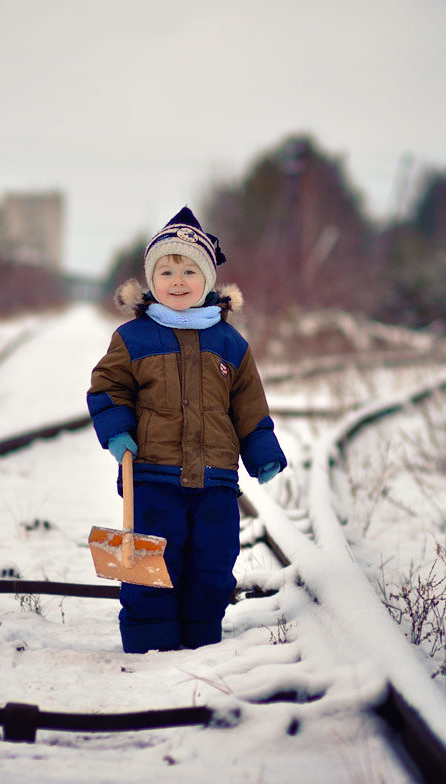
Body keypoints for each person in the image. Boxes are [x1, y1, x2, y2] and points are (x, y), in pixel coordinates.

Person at [87, 206, 287, 653]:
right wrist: (119, 433)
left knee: (212, 564)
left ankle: (201, 639)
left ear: (208, 281)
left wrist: (262, 450)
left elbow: (248, 404)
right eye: (166, 270)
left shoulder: (230, 344)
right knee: (151, 562)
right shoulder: (133, 338)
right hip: (152, 476)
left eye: (189, 270)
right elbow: (108, 389)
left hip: (215, 480)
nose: (177, 280)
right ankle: (150, 642)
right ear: (151, 280)